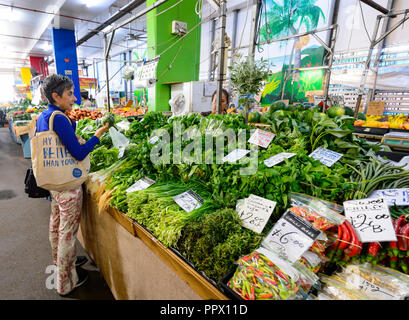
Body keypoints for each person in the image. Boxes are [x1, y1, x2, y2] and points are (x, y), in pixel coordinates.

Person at [35, 74, 109, 296]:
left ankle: (60, 263)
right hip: (68, 185)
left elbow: (60, 141)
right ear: (55, 96)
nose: (74, 97)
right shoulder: (58, 118)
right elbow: (78, 153)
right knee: (68, 233)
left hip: (54, 183)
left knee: (56, 227)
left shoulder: (45, 115)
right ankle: (65, 283)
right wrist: (98, 135)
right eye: (69, 94)